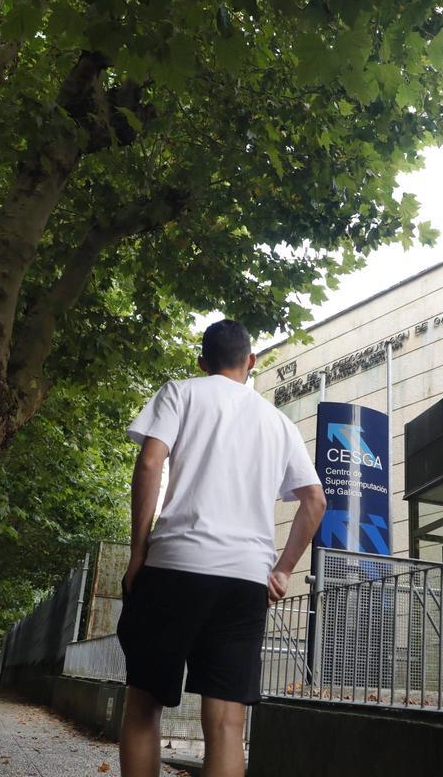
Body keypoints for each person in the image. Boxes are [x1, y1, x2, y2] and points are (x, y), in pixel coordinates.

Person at [117, 319, 326, 777]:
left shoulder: (181, 392)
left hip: (173, 567)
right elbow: (315, 500)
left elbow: (151, 462)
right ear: (251, 362)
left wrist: (138, 553)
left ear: (201, 362)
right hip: (245, 581)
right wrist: (283, 570)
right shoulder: (279, 423)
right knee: (229, 723)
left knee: (144, 707)